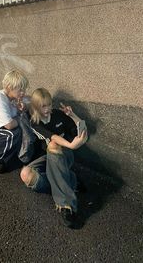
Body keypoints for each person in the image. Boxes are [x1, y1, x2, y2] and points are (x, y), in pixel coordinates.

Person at [20, 88, 88, 229]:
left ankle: (66, 205)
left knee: (53, 146)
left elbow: (81, 130)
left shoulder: (58, 115)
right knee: (26, 174)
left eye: (49, 104)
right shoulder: (34, 122)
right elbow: (52, 136)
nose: (47, 109)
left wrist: (73, 115)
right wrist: (71, 144)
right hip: (47, 158)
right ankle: (70, 180)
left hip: (64, 155)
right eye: (43, 106)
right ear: (36, 107)